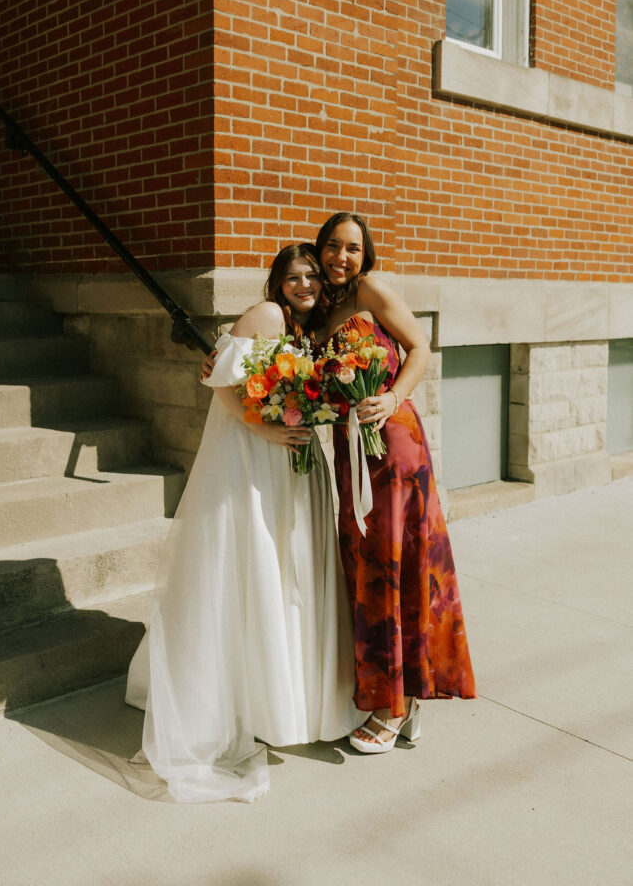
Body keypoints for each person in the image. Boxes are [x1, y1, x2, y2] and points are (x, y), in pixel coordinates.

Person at [126, 243, 360, 802]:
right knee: (253, 561)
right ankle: (234, 696)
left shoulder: (313, 325)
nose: (304, 284)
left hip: (292, 456)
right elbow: (222, 384)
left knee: (287, 570)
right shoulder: (268, 316)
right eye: (293, 277)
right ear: (277, 283)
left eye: (310, 277)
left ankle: (283, 695)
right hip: (256, 454)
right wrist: (267, 432)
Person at [312, 212, 476, 753]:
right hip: (349, 451)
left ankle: (393, 708)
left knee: (395, 566)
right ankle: (403, 701)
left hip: (394, 447)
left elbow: (420, 348)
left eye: (353, 248)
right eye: (333, 247)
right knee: (366, 568)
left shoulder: (371, 290)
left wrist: (394, 395)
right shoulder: (318, 311)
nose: (342, 257)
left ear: (366, 255)